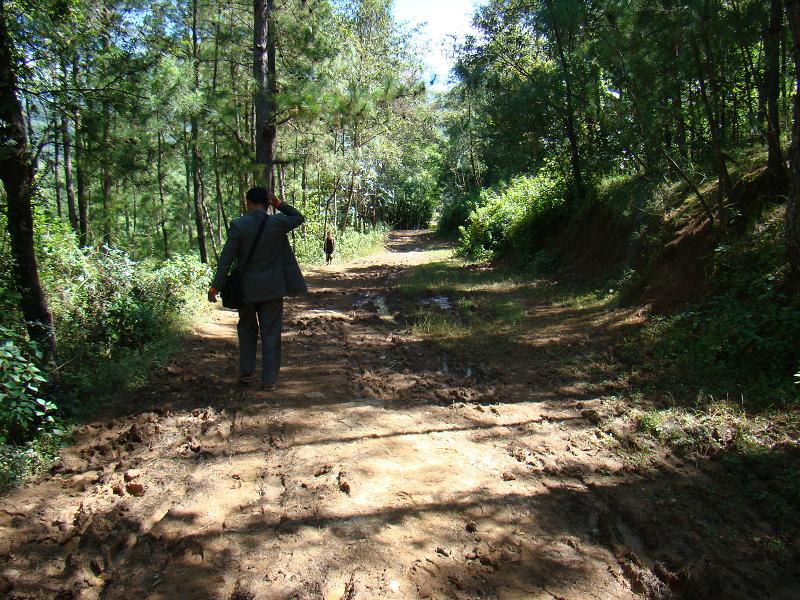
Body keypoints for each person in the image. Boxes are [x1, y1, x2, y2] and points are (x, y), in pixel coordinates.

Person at [208, 187, 306, 391]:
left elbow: (226, 258)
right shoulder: (277, 222)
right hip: (272, 289)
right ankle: (269, 380)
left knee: (246, 330)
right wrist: (279, 204)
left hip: (246, 290)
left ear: (248, 202)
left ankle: (246, 372)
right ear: (267, 202)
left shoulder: (239, 225)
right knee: (271, 333)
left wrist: (216, 285)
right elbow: (298, 217)